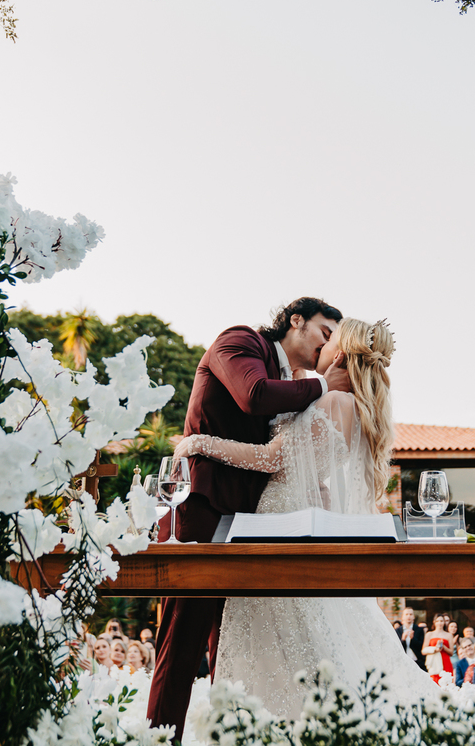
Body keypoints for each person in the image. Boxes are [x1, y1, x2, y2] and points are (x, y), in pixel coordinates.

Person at [173, 317, 435, 717]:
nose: (321, 346)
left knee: (280, 637)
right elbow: (314, 472)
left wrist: (199, 442)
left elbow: (272, 458)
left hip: (278, 520)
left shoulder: (333, 402)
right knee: (296, 637)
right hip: (294, 514)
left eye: (329, 340)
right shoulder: (351, 406)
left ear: (340, 354)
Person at [147, 297, 349, 738]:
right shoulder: (240, 342)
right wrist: (323, 385)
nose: (327, 344)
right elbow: (253, 395)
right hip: (203, 507)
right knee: (182, 641)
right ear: (295, 320)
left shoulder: (293, 381)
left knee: (232, 645)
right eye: (324, 331)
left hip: (251, 520)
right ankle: (158, 739)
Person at [422, 613, 453, 683]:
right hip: (434, 662)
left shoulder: (449, 635)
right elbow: (423, 651)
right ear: (434, 622)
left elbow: (451, 652)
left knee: (447, 682)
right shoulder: (429, 634)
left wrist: (444, 647)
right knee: (435, 681)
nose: (440, 623)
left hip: (445, 661)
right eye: (437, 621)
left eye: (441, 621)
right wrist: (434, 649)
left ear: (444, 622)